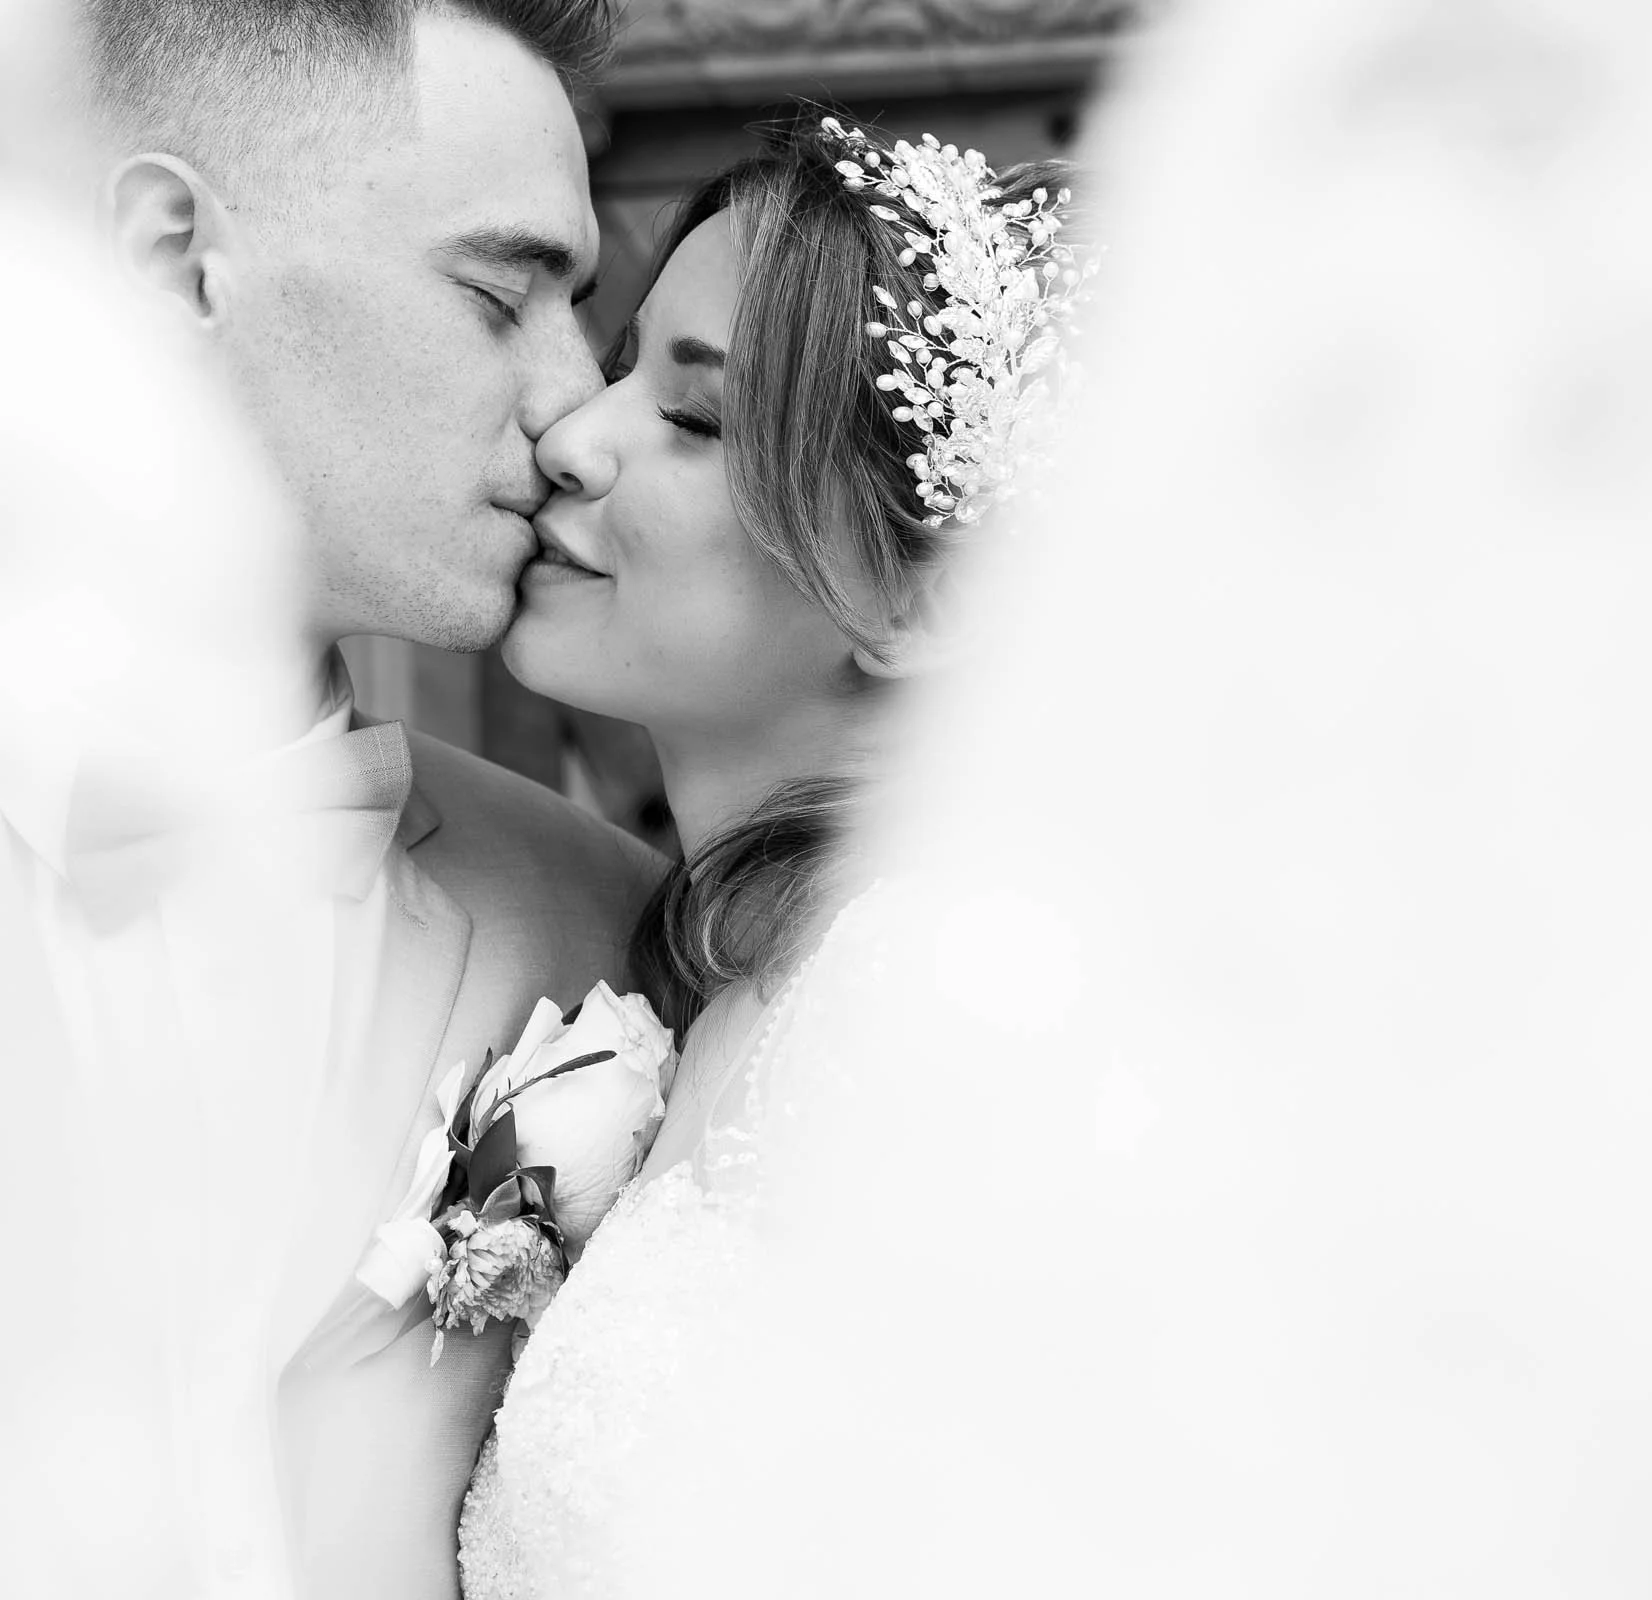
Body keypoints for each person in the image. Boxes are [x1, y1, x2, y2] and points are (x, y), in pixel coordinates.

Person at [57, 2, 660, 1593]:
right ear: (173, 259)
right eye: (499, 296)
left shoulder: (608, 931)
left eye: (581, 313)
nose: (574, 405)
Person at [453, 118, 1082, 1596]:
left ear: (925, 604)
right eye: (621, 368)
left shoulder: (953, 992)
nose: (573, 437)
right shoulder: (717, 979)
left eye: (694, 418)